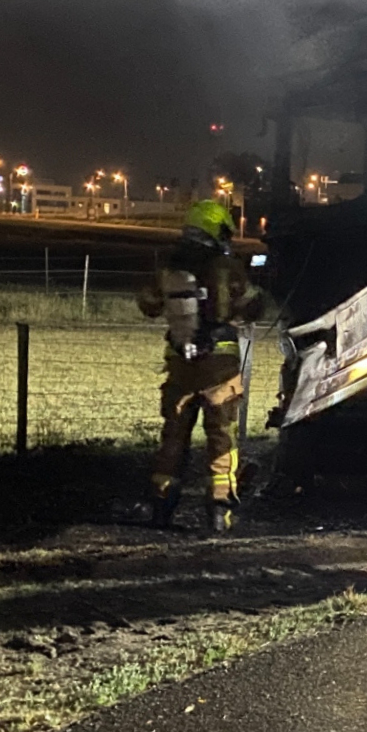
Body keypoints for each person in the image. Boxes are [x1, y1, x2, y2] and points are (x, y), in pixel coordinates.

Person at [137, 199, 263, 531]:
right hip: (220, 368)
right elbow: (251, 306)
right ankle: (219, 514)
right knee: (222, 437)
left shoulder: (168, 266)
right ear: (218, 230)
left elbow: (148, 304)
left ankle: (161, 508)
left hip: (180, 364)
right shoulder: (227, 266)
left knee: (173, 438)